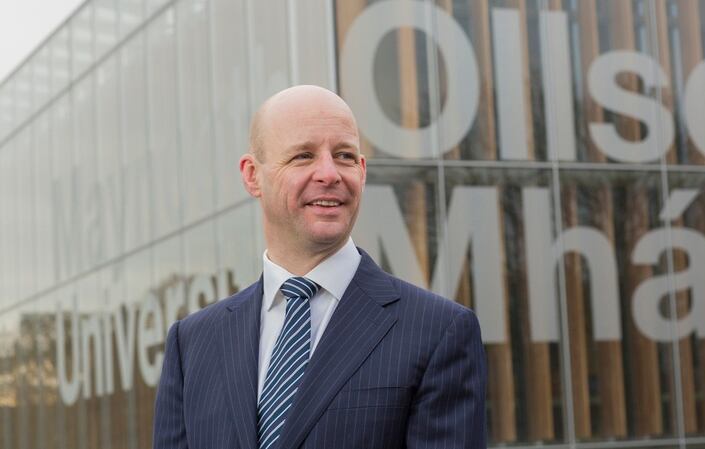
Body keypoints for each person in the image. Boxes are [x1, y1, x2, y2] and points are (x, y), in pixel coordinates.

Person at [153, 85, 487, 449]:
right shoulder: (192, 343)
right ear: (252, 175)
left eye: (344, 156)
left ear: (362, 171)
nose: (329, 174)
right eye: (303, 156)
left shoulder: (438, 332)